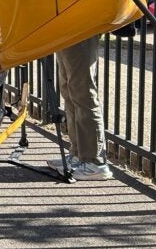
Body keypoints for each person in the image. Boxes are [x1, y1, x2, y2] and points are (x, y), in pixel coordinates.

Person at [47, 35, 114, 180]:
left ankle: (95, 162)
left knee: (82, 91)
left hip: (80, 26)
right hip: (65, 26)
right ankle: (78, 154)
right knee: (69, 89)